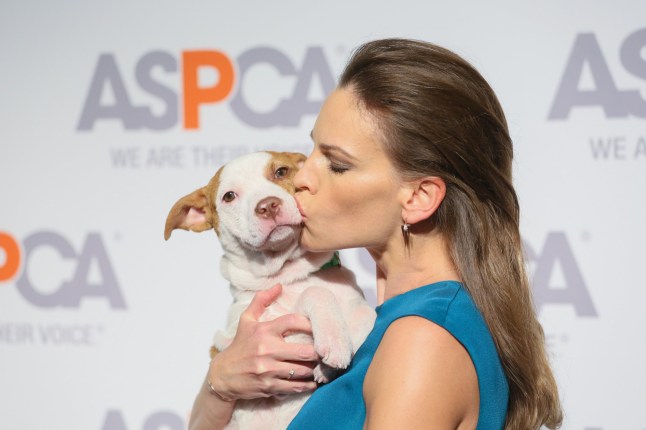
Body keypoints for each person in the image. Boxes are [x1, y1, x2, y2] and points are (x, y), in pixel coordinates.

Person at [188, 38, 563, 430]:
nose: (300, 177)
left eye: (335, 164)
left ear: (418, 197)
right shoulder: (388, 323)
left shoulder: (421, 340)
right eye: (311, 149)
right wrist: (222, 383)